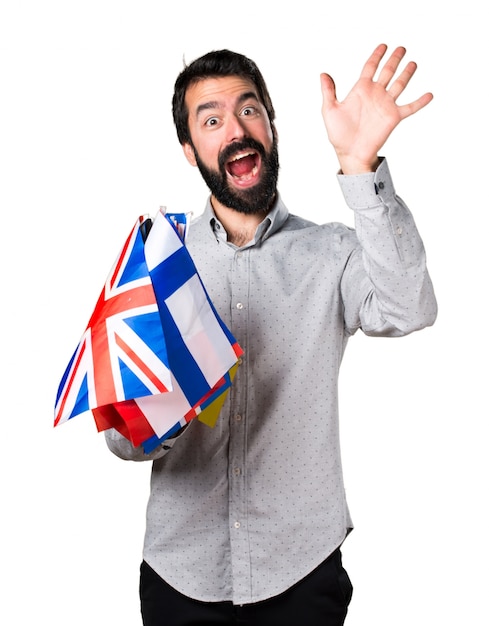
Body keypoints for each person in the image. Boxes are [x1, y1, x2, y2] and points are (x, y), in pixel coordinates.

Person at [105, 44, 437, 625]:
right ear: (190, 150)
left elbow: (409, 306)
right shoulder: (159, 263)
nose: (235, 129)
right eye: (211, 119)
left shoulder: (330, 252)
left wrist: (360, 167)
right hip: (180, 576)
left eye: (249, 110)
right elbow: (123, 441)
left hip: (301, 572)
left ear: (272, 125)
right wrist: (168, 407)